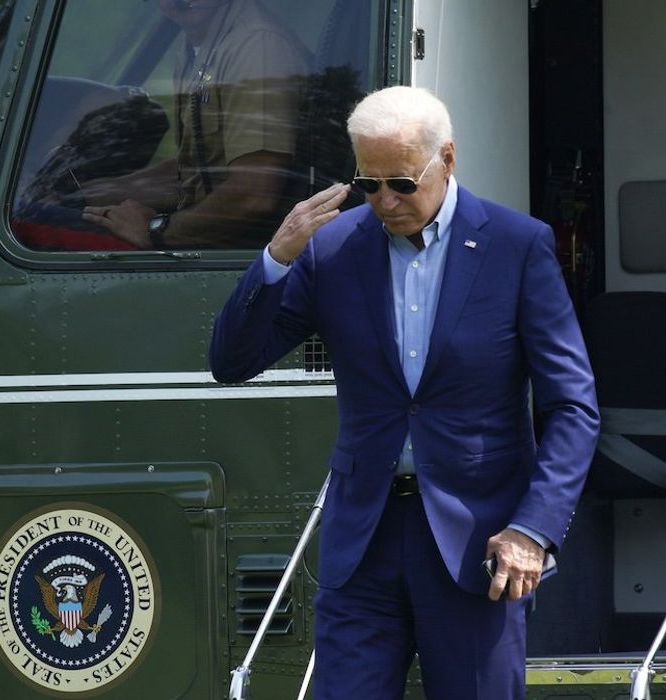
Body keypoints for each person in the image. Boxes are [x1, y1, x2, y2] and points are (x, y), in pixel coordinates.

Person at [210, 86, 599, 699]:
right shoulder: (331, 250)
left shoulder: (516, 245)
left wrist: (534, 529)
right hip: (364, 541)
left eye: (401, 183)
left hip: (480, 545)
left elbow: (572, 406)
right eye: (368, 185)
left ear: (446, 159)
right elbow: (231, 362)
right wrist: (277, 258)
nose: (384, 201)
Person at [75, 0, 311, 249]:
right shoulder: (198, 45)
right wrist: (87, 194)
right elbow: (193, 171)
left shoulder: (257, 46)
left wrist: (157, 232)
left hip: (245, 255)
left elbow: (254, 194)